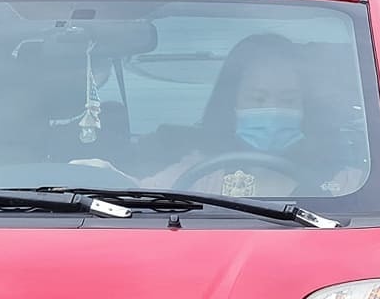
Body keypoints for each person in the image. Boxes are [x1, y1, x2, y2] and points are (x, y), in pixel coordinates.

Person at [142, 32, 364, 197]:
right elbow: (139, 198)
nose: (274, 110)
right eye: (257, 99)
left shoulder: (344, 184)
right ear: (231, 105)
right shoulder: (199, 177)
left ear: (307, 108)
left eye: (288, 100)